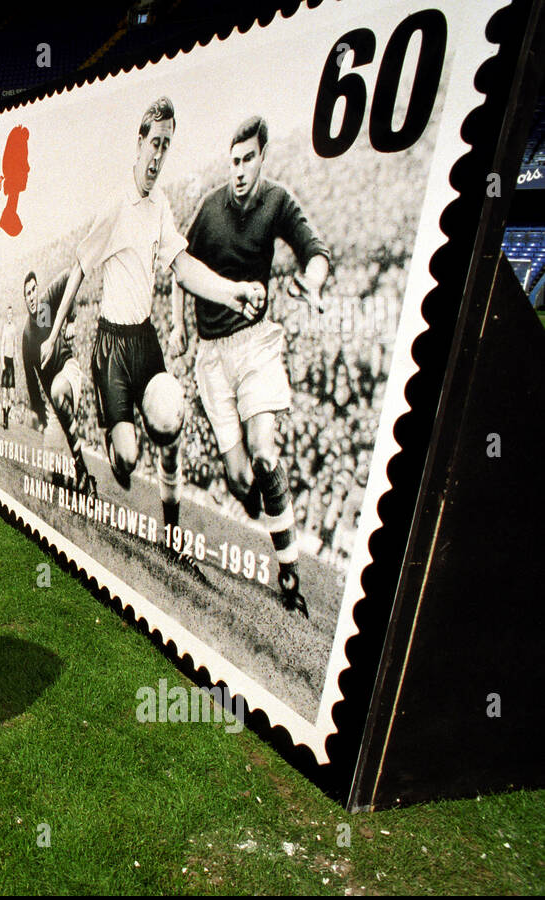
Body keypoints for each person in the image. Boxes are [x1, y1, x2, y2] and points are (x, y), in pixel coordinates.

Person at [43, 96, 265, 570]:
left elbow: (183, 268)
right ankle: (115, 448)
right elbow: (80, 270)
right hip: (111, 348)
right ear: (138, 143)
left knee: (170, 417)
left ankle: (171, 531)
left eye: (167, 146)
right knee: (126, 458)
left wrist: (231, 292)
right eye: (154, 144)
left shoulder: (161, 204)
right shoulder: (115, 205)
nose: (159, 156)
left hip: (144, 341)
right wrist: (53, 333)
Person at [171, 114, 330, 616]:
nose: (239, 170)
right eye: (233, 160)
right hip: (212, 356)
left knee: (264, 453)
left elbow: (315, 249)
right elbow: (180, 266)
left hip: (257, 344)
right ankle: (255, 496)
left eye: (248, 160)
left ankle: (289, 574)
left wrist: (315, 282)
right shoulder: (210, 207)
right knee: (240, 476)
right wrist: (177, 327)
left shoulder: (277, 201)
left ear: (263, 157)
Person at [20, 271, 88, 482]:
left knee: (58, 390)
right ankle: (76, 482)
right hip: (54, 404)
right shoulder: (27, 335)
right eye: (27, 294)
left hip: (69, 373)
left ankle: (81, 468)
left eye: (33, 290)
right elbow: (32, 384)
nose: (32, 296)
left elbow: (71, 275)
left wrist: (72, 319)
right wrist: (40, 418)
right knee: (50, 477)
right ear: (24, 299)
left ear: (37, 289)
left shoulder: (46, 304)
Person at [0, 305, 17, 428]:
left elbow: (15, 345)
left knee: (12, 397)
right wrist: (2, 362)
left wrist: (16, 359)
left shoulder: (14, 328)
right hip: (5, 360)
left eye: (11, 314)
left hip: (11, 362)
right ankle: (5, 420)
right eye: (8, 314)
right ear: (7, 315)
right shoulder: (5, 328)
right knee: (4, 394)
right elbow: (2, 345)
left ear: (12, 315)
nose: (9, 316)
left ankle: (6, 412)